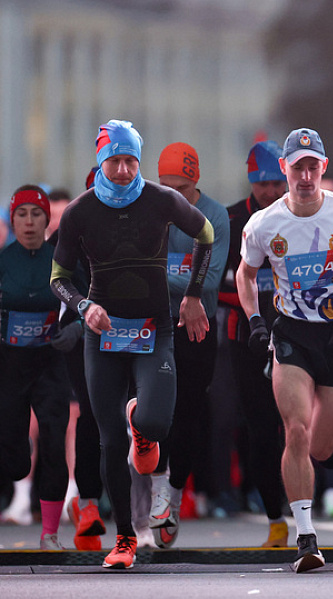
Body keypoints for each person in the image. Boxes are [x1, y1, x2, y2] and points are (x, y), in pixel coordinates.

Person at [51, 120, 215, 569]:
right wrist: (85, 307)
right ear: (101, 162)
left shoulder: (162, 200)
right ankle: (124, 538)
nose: (123, 171)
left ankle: (139, 423)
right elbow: (59, 278)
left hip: (153, 329)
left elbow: (206, 236)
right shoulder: (80, 212)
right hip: (102, 335)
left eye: (130, 161)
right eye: (115, 161)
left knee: (158, 424)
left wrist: (194, 294)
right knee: (107, 443)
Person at [236, 128, 333, 572]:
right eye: (296, 167)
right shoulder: (265, 223)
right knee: (296, 431)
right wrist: (256, 321)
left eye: (312, 167)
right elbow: (246, 276)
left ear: (323, 169)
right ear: (284, 169)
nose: (304, 176)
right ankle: (306, 538)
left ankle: (320, 471)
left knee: (323, 450)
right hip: (293, 335)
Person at [131, 142, 229, 548]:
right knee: (157, 409)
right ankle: (156, 485)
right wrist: (177, 284)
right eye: (167, 189)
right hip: (154, 325)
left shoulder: (215, 217)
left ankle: (172, 493)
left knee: (189, 411)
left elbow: (208, 283)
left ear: (196, 183)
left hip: (197, 328)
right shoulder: (148, 210)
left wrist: (158, 277)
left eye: (183, 190)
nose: (175, 198)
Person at [222, 140, 290, 547]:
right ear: (252, 181)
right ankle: (276, 520)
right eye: (263, 183)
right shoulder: (231, 221)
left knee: (299, 427)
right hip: (246, 337)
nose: (271, 191)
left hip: (297, 332)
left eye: (276, 182)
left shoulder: (295, 214)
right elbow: (217, 284)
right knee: (262, 430)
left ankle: (305, 502)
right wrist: (254, 302)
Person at [0, 185, 71, 549]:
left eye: (36, 214)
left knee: (56, 448)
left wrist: (70, 331)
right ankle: (17, 454)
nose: (29, 222)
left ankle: (50, 533)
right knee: (14, 462)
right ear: (12, 221)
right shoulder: (3, 261)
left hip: (50, 365)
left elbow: (81, 304)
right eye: (21, 215)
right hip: (10, 368)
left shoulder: (60, 260)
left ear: (47, 221)